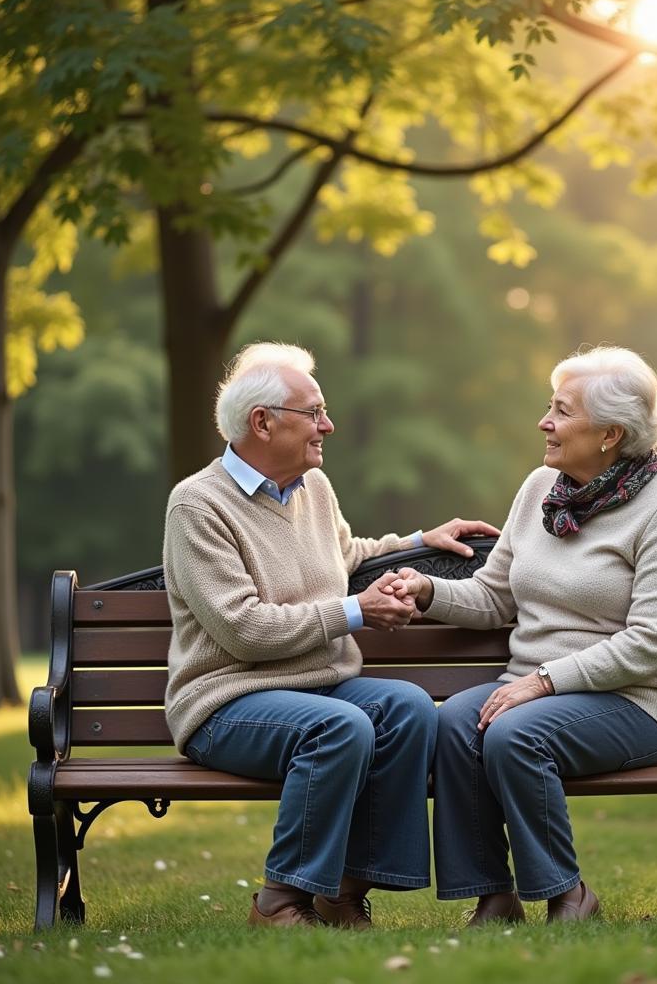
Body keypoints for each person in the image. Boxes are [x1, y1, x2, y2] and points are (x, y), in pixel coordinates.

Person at [162, 341, 499, 930]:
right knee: (339, 725)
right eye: (314, 413)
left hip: (315, 688)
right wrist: (355, 613)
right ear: (262, 422)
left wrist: (421, 541)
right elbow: (242, 630)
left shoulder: (312, 488)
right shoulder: (197, 505)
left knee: (407, 708)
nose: (329, 425)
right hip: (226, 702)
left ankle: (343, 891)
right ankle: (278, 900)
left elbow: (349, 556)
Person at [392, 346, 657, 926]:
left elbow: (650, 643)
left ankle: (569, 895)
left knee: (513, 735)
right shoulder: (541, 488)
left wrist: (544, 680)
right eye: (548, 406)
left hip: (630, 701)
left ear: (610, 433)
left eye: (561, 410)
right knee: (455, 722)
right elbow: (495, 597)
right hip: (532, 693)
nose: (545, 422)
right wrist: (428, 591)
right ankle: (494, 898)